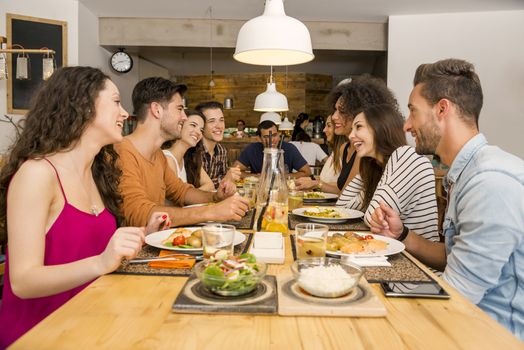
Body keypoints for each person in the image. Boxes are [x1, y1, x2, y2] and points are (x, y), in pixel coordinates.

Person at [0, 67, 169, 347]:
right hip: (40, 336)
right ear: (83, 105)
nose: (126, 113)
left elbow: (87, 249)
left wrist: (141, 234)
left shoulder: (96, 172)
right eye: (116, 101)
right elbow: (23, 280)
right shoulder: (37, 175)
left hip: (90, 324)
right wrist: (101, 261)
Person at [369, 59, 524, 340]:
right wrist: (401, 234)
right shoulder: (466, 172)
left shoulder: (489, 182)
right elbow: (454, 257)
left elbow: (456, 298)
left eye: (413, 112)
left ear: (442, 109)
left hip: (493, 335)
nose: (406, 125)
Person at [115, 78, 249, 227]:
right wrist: (212, 211)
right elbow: (137, 213)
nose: (184, 117)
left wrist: (216, 197)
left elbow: (182, 192)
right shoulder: (122, 152)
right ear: (156, 110)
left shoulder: (158, 155)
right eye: (179, 109)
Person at [336, 104, 439, 242]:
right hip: (394, 252)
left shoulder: (408, 156)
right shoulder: (378, 166)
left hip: (416, 260)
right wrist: (369, 176)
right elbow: (341, 208)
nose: (351, 135)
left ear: (380, 128)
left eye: (358, 127)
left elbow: (373, 217)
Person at [330, 75, 400, 193]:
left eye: (342, 111)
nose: (333, 116)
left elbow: (345, 196)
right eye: (335, 110)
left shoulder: (365, 153)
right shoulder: (345, 149)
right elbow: (346, 195)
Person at [233, 120, 312, 178]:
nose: (272, 140)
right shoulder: (252, 149)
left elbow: (307, 172)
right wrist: (255, 176)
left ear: (279, 135)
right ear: (259, 139)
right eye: (266, 137)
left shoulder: (289, 148)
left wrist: (282, 176)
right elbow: (234, 171)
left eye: (274, 135)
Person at [162, 110, 214, 191]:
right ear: (180, 126)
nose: (198, 132)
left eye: (201, 130)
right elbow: (177, 198)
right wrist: (193, 194)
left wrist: (191, 194)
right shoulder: (167, 158)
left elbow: (210, 185)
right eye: (193, 125)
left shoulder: (189, 158)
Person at [295, 114, 348, 194]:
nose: (324, 130)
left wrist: (315, 183)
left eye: (329, 126)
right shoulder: (334, 153)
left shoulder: (346, 153)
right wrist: (311, 181)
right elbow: (328, 181)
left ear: (338, 127)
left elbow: (343, 188)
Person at [195, 101, 240, 188]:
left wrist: (225, 179)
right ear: (201, 125)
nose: (219, 126)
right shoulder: (193, 151)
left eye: (221, 120)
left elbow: (222, 179)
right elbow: (194, 188)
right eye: (212, 121)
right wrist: (224, 180)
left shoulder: (221, 150)